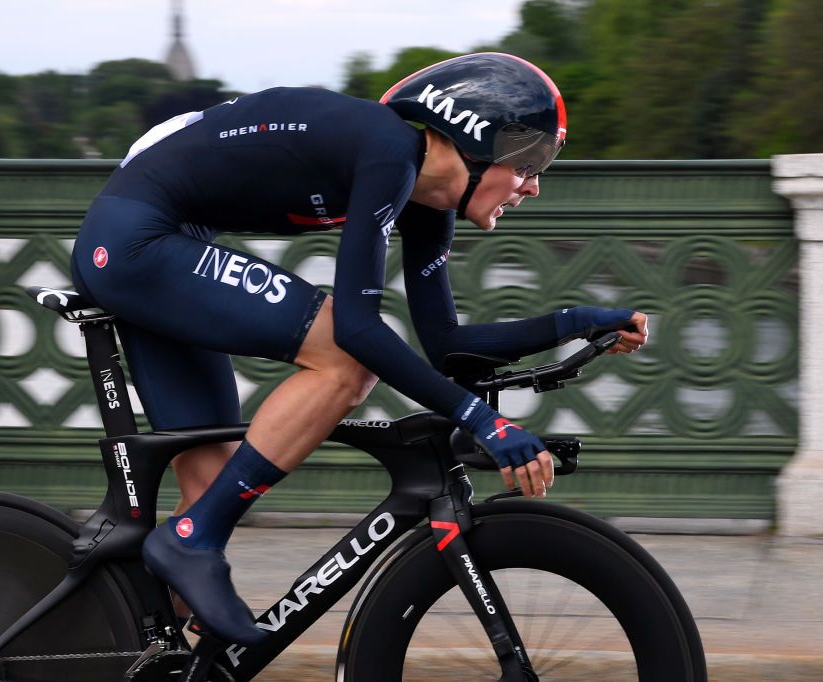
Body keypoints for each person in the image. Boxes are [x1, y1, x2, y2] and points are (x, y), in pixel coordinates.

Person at [69, 52, 648, 646]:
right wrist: (486, 423)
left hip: (166, 239)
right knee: (345, 364)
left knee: (209, 485)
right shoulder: (387, 150)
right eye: (530, 160)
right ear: (474, 137)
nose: (533, 184)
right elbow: (358, 330)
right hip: (135, 241)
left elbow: (447, 345)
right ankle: (191, 542)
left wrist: (578, 322)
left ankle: (147, 641)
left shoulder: (427, 201)